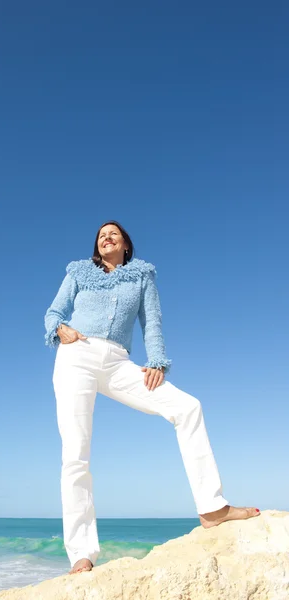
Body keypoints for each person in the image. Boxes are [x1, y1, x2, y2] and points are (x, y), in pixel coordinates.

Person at [44, 220, 259, 575]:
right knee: (75, 455)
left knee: (188, 407)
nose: (106, 238)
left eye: (113, 234)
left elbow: (153, 323)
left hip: (118, 361)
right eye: (100, 236)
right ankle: (82, 553)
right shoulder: (79, 272)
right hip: (76, 356)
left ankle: (212, 507)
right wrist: (59, 328)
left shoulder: (142, 276)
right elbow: (53, 312)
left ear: (126, 244)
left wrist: (157, 361)